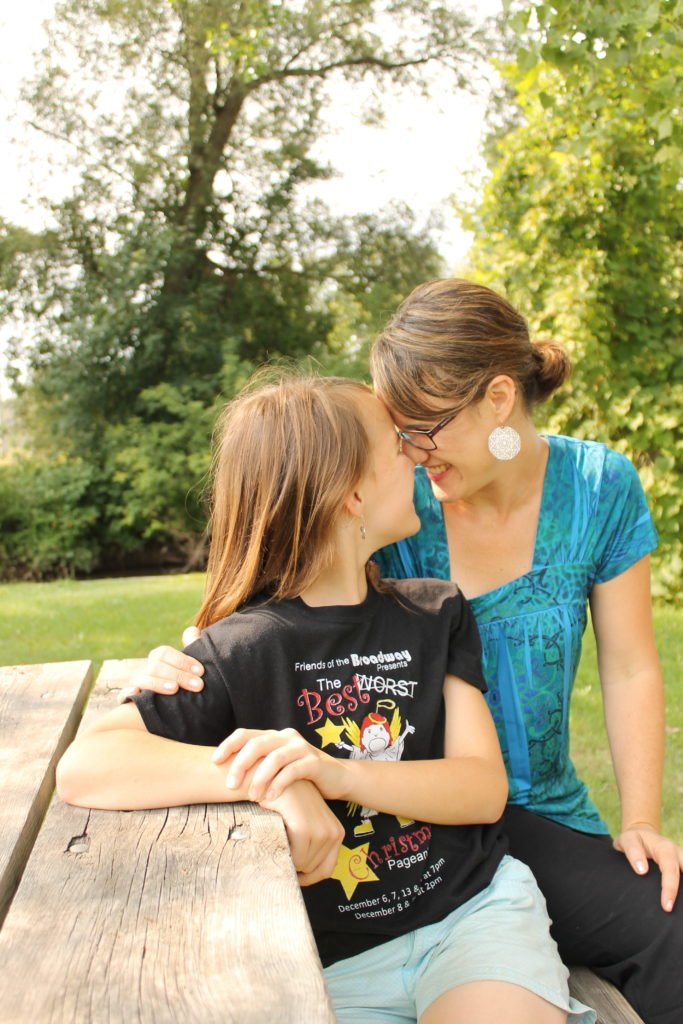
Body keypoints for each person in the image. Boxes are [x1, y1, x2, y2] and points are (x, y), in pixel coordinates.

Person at [135, 280, 682, 1024]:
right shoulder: (393, 498)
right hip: (416, 812)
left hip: (544, 814)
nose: (414, 451)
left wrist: (642, 819)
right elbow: (285, 605)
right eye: (401, 432)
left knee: (667, 923)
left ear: (496, 399)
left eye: (425, 427)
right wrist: (186, 658)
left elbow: (628, 665)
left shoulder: (599, 485)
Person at [57, 372, 594, 1024]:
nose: (416, 454)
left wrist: (332, 771)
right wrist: (269, 778)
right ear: (350, 494)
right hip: (329, 961)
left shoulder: (435, 612)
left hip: (472, 917)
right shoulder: (240, 651)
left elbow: (480, 789)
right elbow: (87, 765)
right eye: (398, 444)